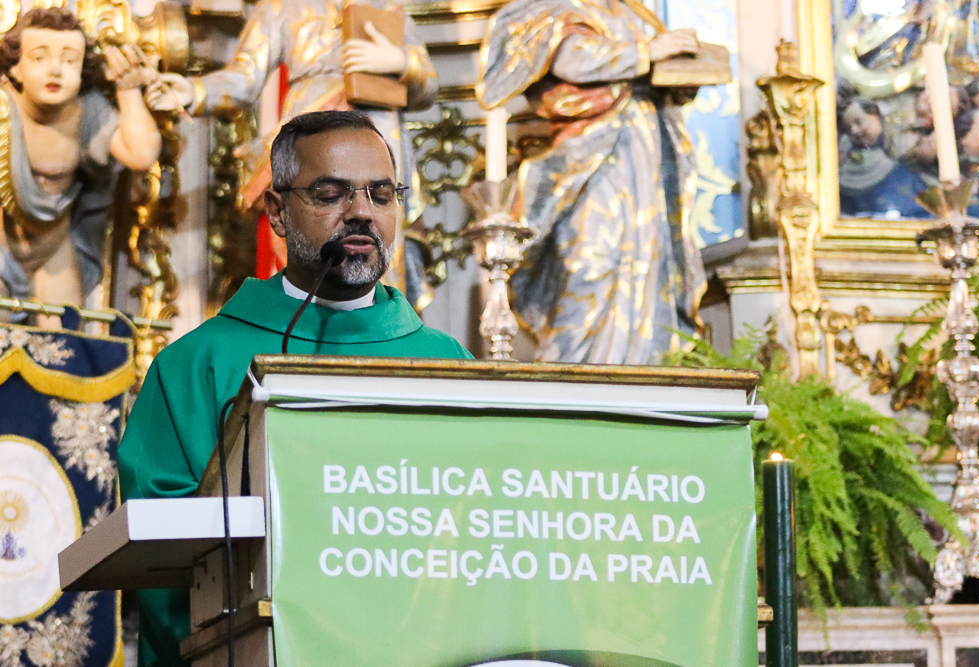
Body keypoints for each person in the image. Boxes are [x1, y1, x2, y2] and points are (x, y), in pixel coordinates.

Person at [117, 110, 472, 667]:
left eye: (381, 194)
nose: (362, 212)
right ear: (278, 212)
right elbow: (166, 565)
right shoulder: (196, 365)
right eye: (331, 194)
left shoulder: (448, 364)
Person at [145, 0, 439, 303]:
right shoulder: (280, 7)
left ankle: (377, 321)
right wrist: (194, 91)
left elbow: (428, 87)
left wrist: (400, 62)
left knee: (376, 235)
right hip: (311, 135)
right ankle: (307, 320)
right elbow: (244, 76)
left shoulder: (388, 8)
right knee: (310, 229)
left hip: (378, 133)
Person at [477, 0, 707, 365]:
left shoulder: (632, 11)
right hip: (588, 158)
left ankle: (642, 365)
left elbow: (658, 71)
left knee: (648, 263)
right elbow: (570, 58)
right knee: (589, 258)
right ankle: (574, 367)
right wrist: (647, 52)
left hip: (645, 154)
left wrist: (681, 71)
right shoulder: (556, 5)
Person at [0, 8, 161, 307]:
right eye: (39, 58)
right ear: (15, 68)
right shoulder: (4, 111)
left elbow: (141, 154)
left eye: (69, 60)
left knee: (61, 327)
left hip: (53, 249)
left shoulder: (87, 113)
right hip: (3, 245)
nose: (55, 70)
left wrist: (127, 89)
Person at [838, 97, 929, 218]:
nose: (854, 131)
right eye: (848, 129)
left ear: (876, 117)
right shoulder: (847, 170)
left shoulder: (903, 159)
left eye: (859, 122)